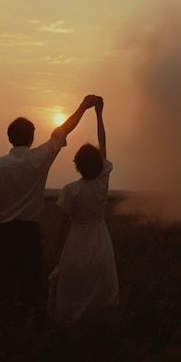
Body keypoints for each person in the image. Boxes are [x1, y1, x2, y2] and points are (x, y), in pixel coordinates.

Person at [0, 95, 97, 323]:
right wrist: (82, 107)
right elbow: (63, 131)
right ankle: (29, 336)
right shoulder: (40, 157)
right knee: (31, 297)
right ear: (31, 138)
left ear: (9, 138)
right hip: (30, 236)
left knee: (3, 297)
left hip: (5, 237)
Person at [48, 96, 119, 323]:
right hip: (101, 240)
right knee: (101, 294)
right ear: (99, 164)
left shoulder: (70, 190)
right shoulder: (102, 181)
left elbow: (62, 224)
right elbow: (103, 144)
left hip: (76, 243)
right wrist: (99, 115)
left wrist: (57, 252)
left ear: (77, 165)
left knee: (73, 291)